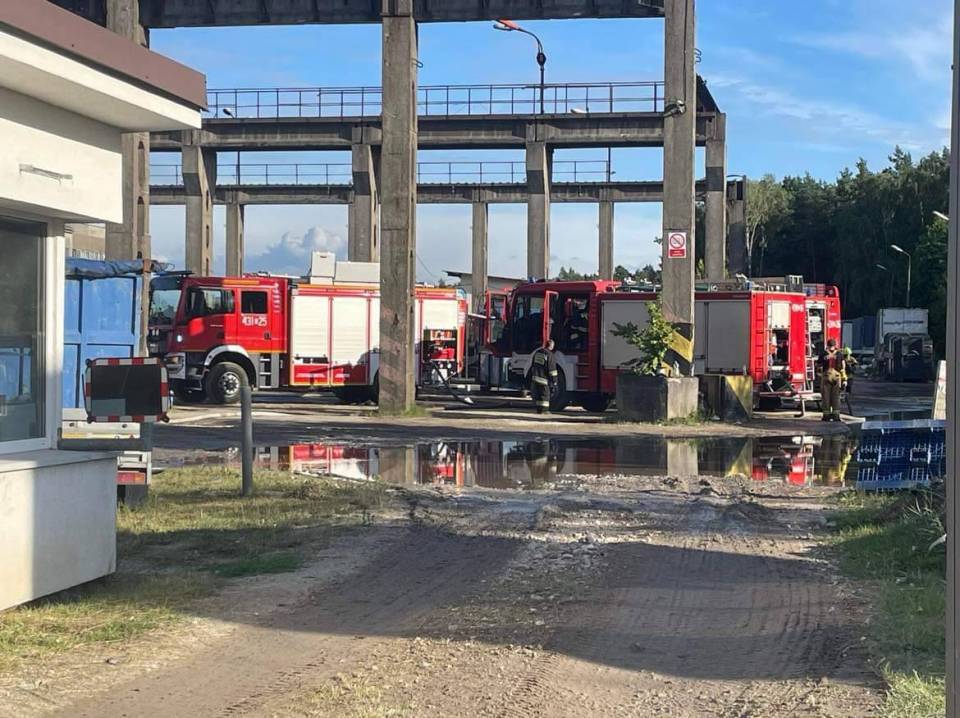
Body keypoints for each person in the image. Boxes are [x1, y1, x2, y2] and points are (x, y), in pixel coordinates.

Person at [818, 338, 845, 422]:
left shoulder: (823, 354)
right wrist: (844, 379)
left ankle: (827, 416)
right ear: (835, 345)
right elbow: (843, 367)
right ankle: (836, 416)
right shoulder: (839, 354)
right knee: (835, 397)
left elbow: (818, 366)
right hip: (836, 376)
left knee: (826, 397)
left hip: (826, 376)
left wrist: (820, 375)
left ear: (827, 345)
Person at [530, 339, 558, 414]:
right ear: (551, 346)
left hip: (535, 378)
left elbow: (533, 364)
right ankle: (545, 411)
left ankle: (539, 410)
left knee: (538, 395)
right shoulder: (549, 354)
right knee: (545, 396)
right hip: (544, 379)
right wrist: (554, 381)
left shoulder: (538, 352)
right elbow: (552, 370)